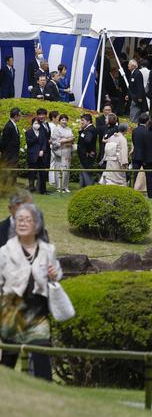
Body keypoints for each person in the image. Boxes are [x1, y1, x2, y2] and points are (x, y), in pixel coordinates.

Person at [0, 203, 62, 380]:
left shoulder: (47, 250)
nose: (23, 223)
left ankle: (44, 397)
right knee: (7, 363)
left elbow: (57, 275)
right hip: (11, 312)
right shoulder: (5, 251)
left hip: (37, 313)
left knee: (41, 360)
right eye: (20, 220)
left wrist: (54, 275)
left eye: (28, 220)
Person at [25, 109, 50, 194]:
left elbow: (44, 141)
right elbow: (29, 143)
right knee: (32, 173)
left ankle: (42, 190)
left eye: (37, 123)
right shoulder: (28, 132)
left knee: (42, 173)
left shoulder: (42, 131)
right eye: (35, 123)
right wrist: (36, 137)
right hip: (32, 155)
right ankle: (31, 187)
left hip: (42, 154)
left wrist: (42, 150)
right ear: (32, 124)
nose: (37, 125)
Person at [48, 114, 74, 193]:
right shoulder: (56, 129)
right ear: (59, 121)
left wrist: (66, 139)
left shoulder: (69, 129)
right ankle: (59, 187)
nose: (64, 121)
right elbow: (55, 141)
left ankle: (65, 186)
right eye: (62, 120)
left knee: (67, 169)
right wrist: (66, 140)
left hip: (68, 150)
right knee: (60, 168)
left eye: (65, 120)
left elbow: (72, 138)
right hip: (60, 151)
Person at [77, 113, 98, 187]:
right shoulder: (86, 129)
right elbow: (84, 138)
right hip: (84, 154)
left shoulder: (90, 129)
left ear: (88, 121)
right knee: (83, 169)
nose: (81, 122)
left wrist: (88, 151)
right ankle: (83, 186)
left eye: (83, 120)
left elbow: (88, 140)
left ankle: (89, 186)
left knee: (86, 170)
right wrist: (81, 131)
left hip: (87, 155)